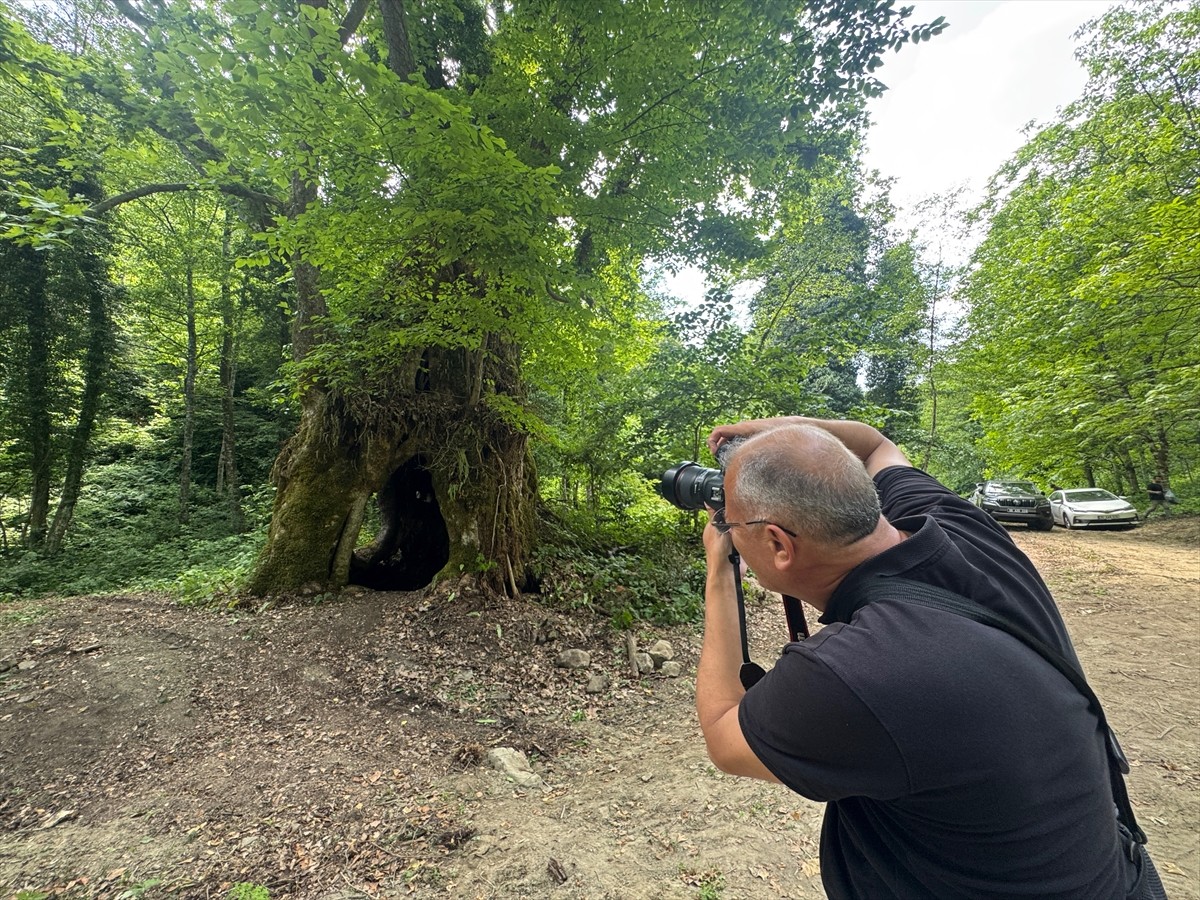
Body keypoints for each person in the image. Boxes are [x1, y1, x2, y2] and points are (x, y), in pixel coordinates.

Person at [696, 415, 1164, 900]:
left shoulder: (855, 669)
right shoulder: (961, 528)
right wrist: (772, 430)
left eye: (729, 521)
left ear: (777, 543)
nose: (725, 528)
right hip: (1116, 877)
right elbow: (876, 445)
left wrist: (719, 573)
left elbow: (723, 732)